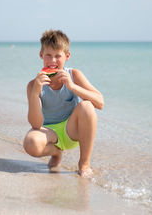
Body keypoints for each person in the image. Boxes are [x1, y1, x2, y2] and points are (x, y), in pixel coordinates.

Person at [23, 30, 104, 177]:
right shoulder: (32, 85)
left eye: (58, 56)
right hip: (50, 133)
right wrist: (36, 93)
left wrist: (72, 86)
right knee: (30, 143)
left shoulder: (74, 75)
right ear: (41, 55)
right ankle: (56, 152)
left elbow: (100, 103)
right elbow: (36, 124)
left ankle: (84, 164)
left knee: (87, 106)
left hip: (71, 130)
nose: (53, 61)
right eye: (48, 55)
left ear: (67, 56)